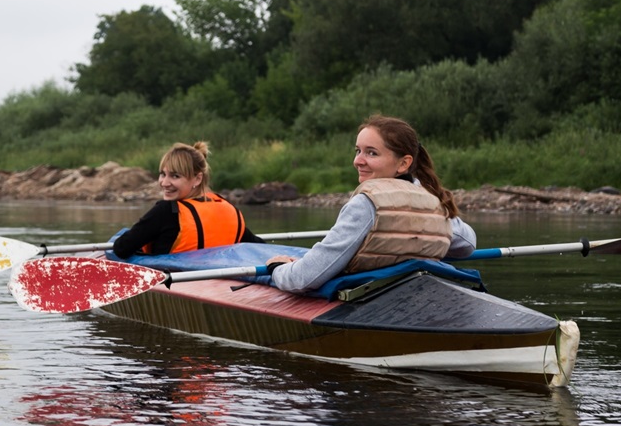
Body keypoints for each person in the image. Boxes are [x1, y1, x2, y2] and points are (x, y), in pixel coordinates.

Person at [266, 115, 476, 293]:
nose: (358, 161)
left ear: (404, 163)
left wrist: (278, 269)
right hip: (416, 295)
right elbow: (467, 244)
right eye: (358, 151)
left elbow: (306, 278)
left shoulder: (366, 204)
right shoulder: (433, 200)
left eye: (371, 153)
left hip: (373, 300)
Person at [111, 141, 264, 258]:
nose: (164, 183)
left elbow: (121, 248)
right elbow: (259, 247)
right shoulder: (229, 209)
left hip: (179, 286)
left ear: (197, 179)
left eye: (175, 176)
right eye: (163, 174)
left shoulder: (166, 211)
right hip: (222, 286)